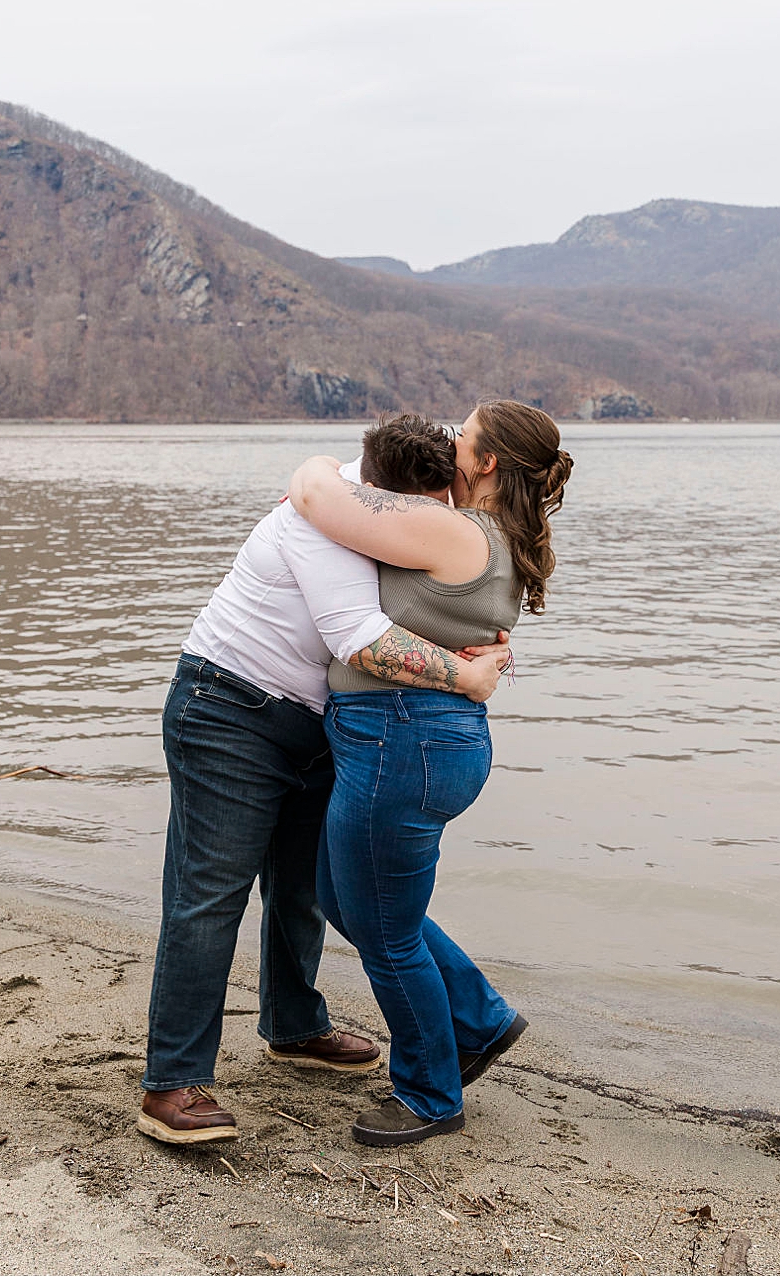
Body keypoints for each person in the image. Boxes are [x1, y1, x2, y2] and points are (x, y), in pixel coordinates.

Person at [138, 415, 513, 1151]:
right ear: (380, 493)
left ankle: (295, 1025)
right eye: (423, 503)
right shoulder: (332, 515)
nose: (430, 516)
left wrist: (480, 629)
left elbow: (427, 594)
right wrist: (466, 674)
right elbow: (358, 637)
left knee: (304, 886)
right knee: (209, 895)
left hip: (320, 721)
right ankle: (171, 1083)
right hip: (230, 704)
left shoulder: (392, 494)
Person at [286, 400, 572, 1146]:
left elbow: (319, 496)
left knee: (386, 934)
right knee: (345, 901)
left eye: (464, 437)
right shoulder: (499, 535)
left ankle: (430, 1093)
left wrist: (315, 470)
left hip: (401, 741)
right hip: (417, 739)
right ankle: (477, 1018)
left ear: (486, 464)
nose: (449, 443)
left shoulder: (454, 530)